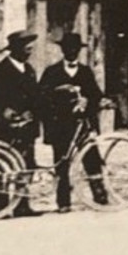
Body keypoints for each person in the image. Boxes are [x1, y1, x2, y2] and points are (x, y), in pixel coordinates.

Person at [38, 33, 108, 213]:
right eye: (68, 48)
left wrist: (86, 101)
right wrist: (60, 97)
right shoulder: (51, 72)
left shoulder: (85, 71)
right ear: (62, 50)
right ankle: (63, 202)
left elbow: (96, 95)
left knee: (91, 158)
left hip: (83, 125)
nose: (71, 52)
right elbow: (42, 98)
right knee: (62, 162)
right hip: (61, 125)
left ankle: (100, 197)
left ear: (79, 51)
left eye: (75, 49)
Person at [0, 29, 43, 218]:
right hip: (6, 129)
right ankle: (0, 207)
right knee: (3, 166)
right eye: (26, 49)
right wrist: (4, 111)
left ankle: (22, 206)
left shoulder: (30, 71)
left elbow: (36, 98)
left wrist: (32, 112)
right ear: (15, 49)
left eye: (30, 49)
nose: (29, 53)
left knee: (26, 166)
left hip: (27, 128)